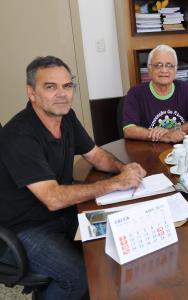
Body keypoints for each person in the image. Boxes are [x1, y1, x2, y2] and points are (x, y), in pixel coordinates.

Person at [0, 56, 147, 298]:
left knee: (112, 244)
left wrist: (124, 169)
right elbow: (52, 198)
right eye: (51, 87)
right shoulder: (18, 135)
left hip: (62, 214)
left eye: (67, 86)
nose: (62, 94)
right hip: (23, 227)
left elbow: (96, 154)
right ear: (31, 92)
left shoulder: (65, 117)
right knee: (76, 276)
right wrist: (113, 184)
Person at [122, 44, 188, 143]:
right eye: (158, 65)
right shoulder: (136, 93)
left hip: (180, 150)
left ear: (175, 69)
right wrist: (163, 137)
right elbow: (128, 130)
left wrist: (172, 131)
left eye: (169, 65)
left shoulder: (184, 88)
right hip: (149, 151)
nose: (164, 70)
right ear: (149, 69)